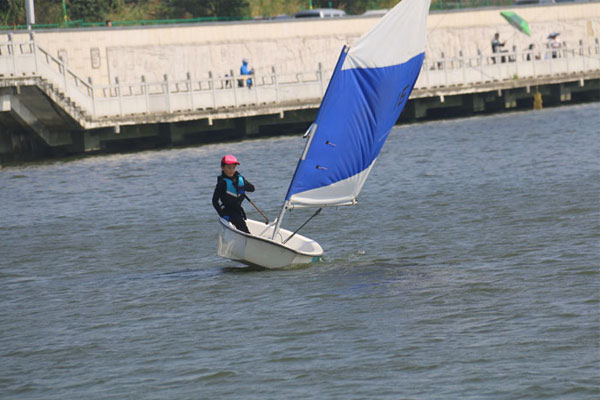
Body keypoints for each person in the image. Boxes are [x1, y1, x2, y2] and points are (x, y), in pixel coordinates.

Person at [212, 154, 255, 234]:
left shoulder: (239, 178)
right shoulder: (222, 183)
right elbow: (214, 200)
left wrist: (242, 186)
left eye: (233, 168)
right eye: (229, 168)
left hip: (238, 210)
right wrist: (221, 214)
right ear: (222, 168)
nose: (231, 170)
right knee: (242, 227)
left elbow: (252, 188)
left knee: (241, 223)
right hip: (228, 211)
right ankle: (249, 238)